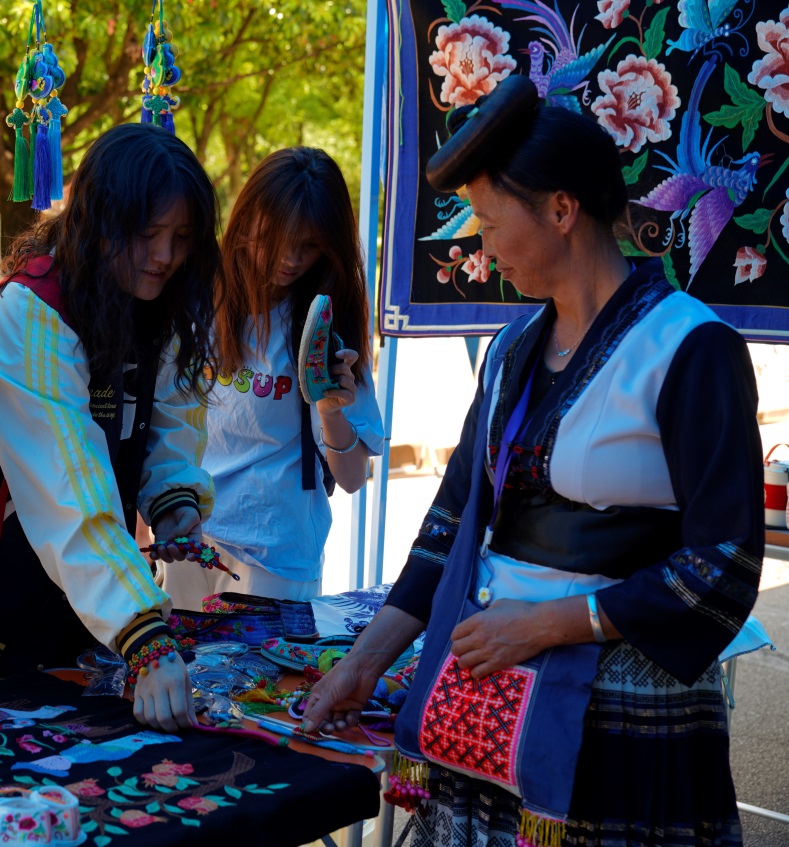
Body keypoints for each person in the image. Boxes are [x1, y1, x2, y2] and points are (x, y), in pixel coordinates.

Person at [303, 77, 761, 846]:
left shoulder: (689, 347)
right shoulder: (511, 349)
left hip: (619, 717)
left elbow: (723, 561)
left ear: (560, 209)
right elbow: (448, 525)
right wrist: (365, 661)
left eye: (488, 223)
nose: (480, 248)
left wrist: (547, 624)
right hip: (492, 704)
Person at [0, 123, 220, 733]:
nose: (165, 256)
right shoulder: (30, 316)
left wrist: (174, 502)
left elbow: (171, 421)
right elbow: (68, 493)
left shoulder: (154, 302)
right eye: (147, 234)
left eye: (182, 238)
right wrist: (144, 635)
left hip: (84, 598)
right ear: (100, 220)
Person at [162, 147, 384, 609]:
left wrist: (331, 412)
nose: (289, 259)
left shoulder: (325, 322)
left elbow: (351, 479)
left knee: (260, 663)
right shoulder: (197, 298)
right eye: (272, 238)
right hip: (190, 537)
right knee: (182, 658)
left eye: (309, 245)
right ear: (245, 222)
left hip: (275, 557)